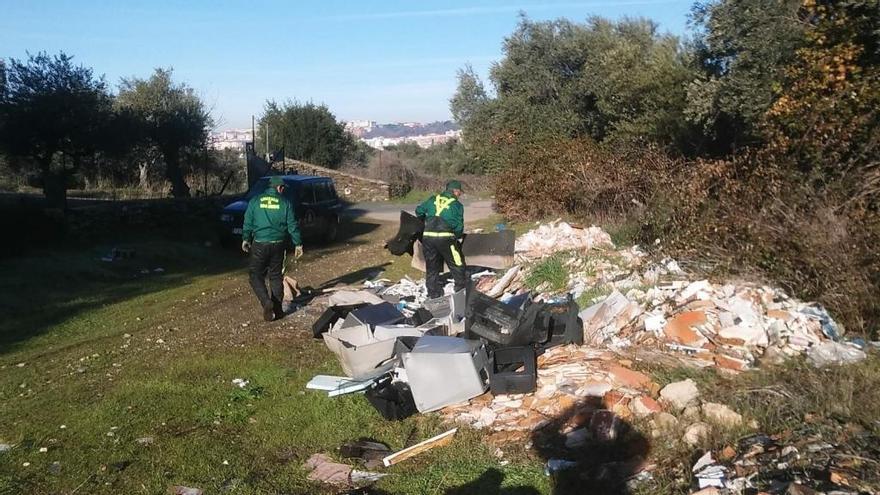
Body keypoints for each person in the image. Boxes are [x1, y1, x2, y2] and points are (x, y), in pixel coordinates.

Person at [241, 176, 303, 321]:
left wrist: (245, 238)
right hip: (279, 244)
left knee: (255, 275)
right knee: (275, 276)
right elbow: (292, 225)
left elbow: (248, 221)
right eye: (282, 188)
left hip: (260, 243)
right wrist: (298, 243)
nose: (283, 190)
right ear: (278, 187)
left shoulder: (255, 201)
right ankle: (278, 309)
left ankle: (266, 302)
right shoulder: (285, 203)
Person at [415, 179, 466, 299]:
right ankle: (460, 289)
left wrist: (425, 220)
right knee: (456, 263)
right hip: (446, 238)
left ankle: (433, 293)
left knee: (432, 266)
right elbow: (459, 226)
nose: (460, 195)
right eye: (460, 192)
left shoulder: (433, 199)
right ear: (455, 191)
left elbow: (418, 211)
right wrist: (457, 237)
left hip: (428, 238)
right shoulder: (457, 205)